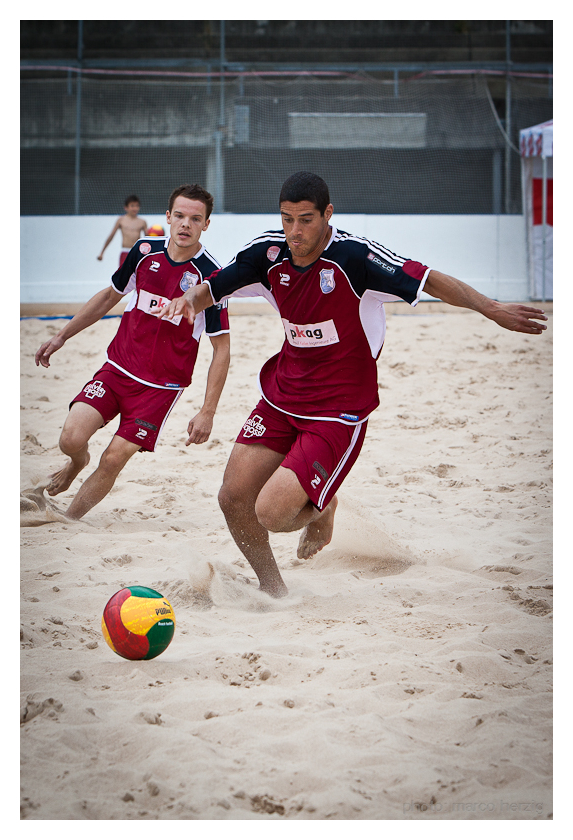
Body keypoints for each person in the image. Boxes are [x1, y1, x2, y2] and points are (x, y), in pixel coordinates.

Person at [156, 171, 548, 598]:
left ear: (328, 214)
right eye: (287, 219)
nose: (295, 232)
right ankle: (275, 592)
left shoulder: (356, 258)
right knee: (232, 498)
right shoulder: (268, 254)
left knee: (272, 512)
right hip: (283, 394)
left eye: (306, 220)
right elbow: (215, 286)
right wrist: (188, 301)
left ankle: (323, 507)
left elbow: (429, 279)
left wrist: (490, 308)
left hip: (339, 408)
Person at [35, 184, 230, 521]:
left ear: (206, 224)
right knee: (70, 438)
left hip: (160, 389)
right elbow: (108, 298)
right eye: (180, 216)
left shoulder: (212, 277)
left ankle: (68, 521)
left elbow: (222, 349)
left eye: (195, 219)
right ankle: (77, 463)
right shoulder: (143, 252)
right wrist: (61, 336)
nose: (186, 224)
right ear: (168, 217)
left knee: (112, 459)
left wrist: (207, 411)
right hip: (118, 369)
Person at [97, 194, 148, 266]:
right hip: (125, 251)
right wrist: (102, 252)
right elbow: (111, 236)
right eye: (132, 206)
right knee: (124, 275)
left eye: (137, 206)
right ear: (126, 208)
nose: (135, 208)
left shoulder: (142, 222)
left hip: (137, 252)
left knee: (137, 275)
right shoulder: (121, 220)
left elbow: (148, 238)